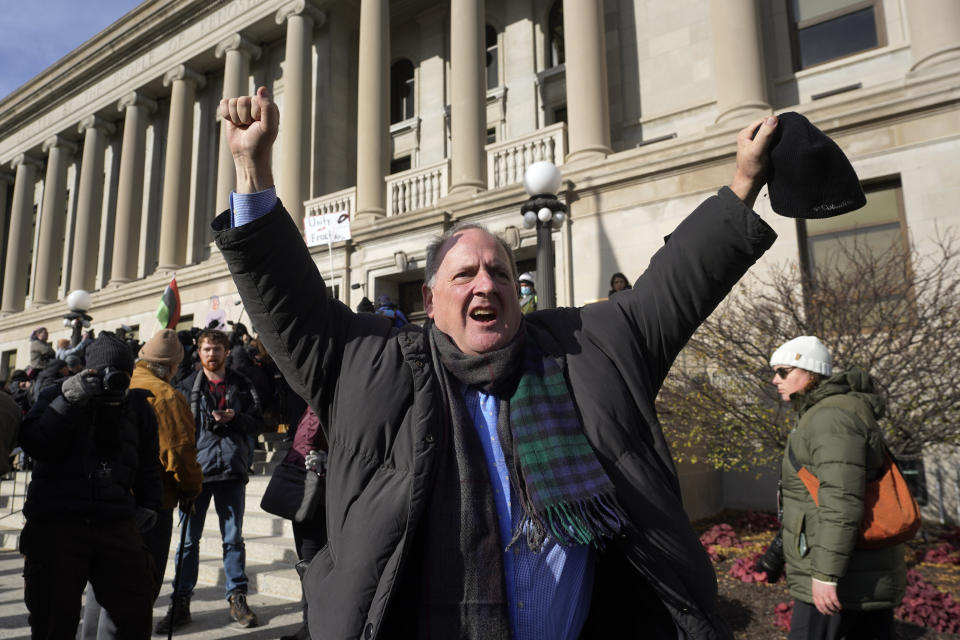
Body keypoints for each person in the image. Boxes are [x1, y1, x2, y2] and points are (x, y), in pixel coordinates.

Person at [213, 86, 779, 638]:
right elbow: (289, 301)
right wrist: (251, 169)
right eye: (464, 274)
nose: (486, 284)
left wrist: (743, 183)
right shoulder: (372, 365)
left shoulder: (585, 349)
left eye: (500, 272)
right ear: (430, 303)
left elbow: (672, 292)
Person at [18, 333, 161, 638]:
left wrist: (149, 503)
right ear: (87, 370)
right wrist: (69, 401)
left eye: (122, 374)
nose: (113, 380)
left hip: (115, 522)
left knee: (133, 612)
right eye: (105, 372)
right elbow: (35, 443)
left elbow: (149, 463)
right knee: (52, 618)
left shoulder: (138, 407)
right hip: (58, 523)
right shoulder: (58, 394)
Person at [769, 336, 905, 639]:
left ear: (810, 372)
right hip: (857, 569)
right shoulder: (829, 412)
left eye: (783, 371)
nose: (774, 380)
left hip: (842, 576)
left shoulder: (831, 418)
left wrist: (825, 575)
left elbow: (840, 500)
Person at [156, 328, 263, 632]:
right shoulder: (186, 384)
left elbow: (258, 420)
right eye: (206, 349)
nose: (211, 354)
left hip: (231, 470)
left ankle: (237, 597)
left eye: (217, 349)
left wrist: (236, 420)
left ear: (227, 352)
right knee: (188, 542)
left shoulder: (242, 384)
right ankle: (181, 601)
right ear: (199, 353)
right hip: (195, 473)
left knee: (233, 540)